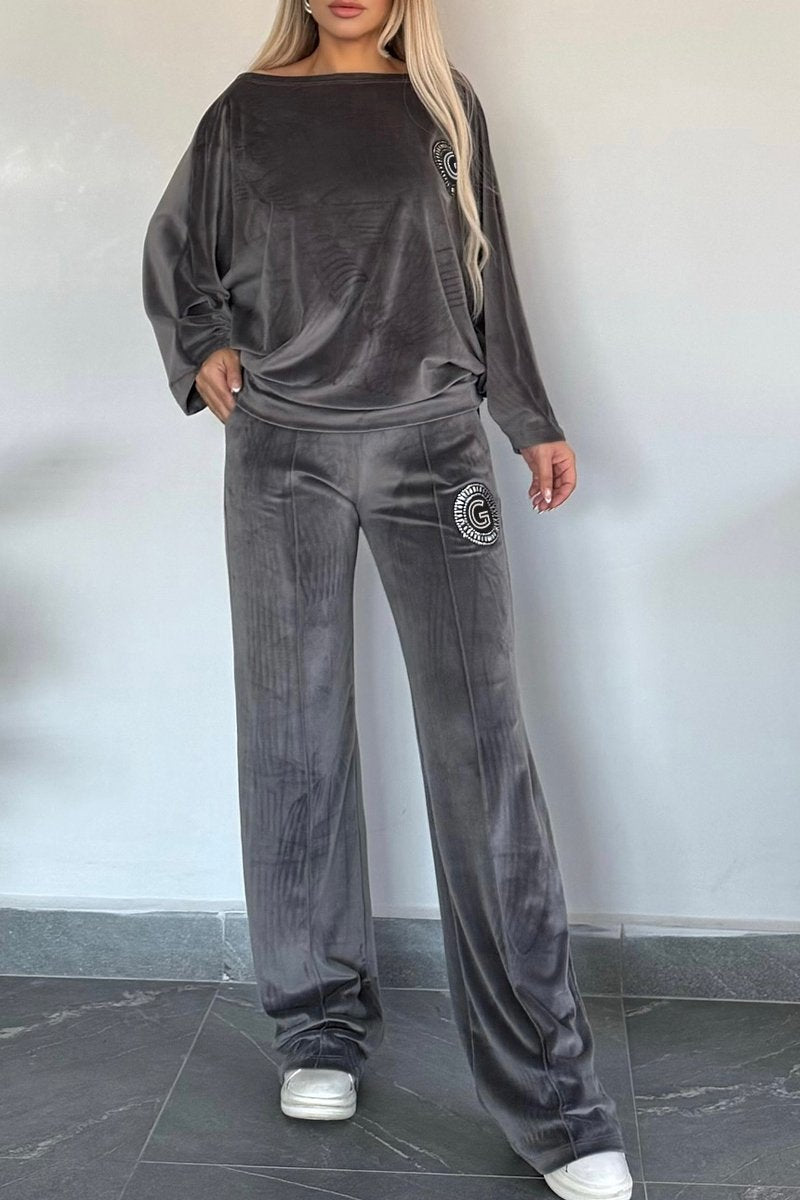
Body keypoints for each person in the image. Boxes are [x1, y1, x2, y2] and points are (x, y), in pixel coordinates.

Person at [141, 2, 633, 1196]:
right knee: (292, 738)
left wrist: (528, 417)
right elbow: (179, 254)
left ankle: (554, 1097)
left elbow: (486, 271)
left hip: (432, 450)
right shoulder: (244, 113)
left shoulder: (443, 109)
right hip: (280, 453)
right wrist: (201, 343)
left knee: (481, 752)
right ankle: (316, 1027)